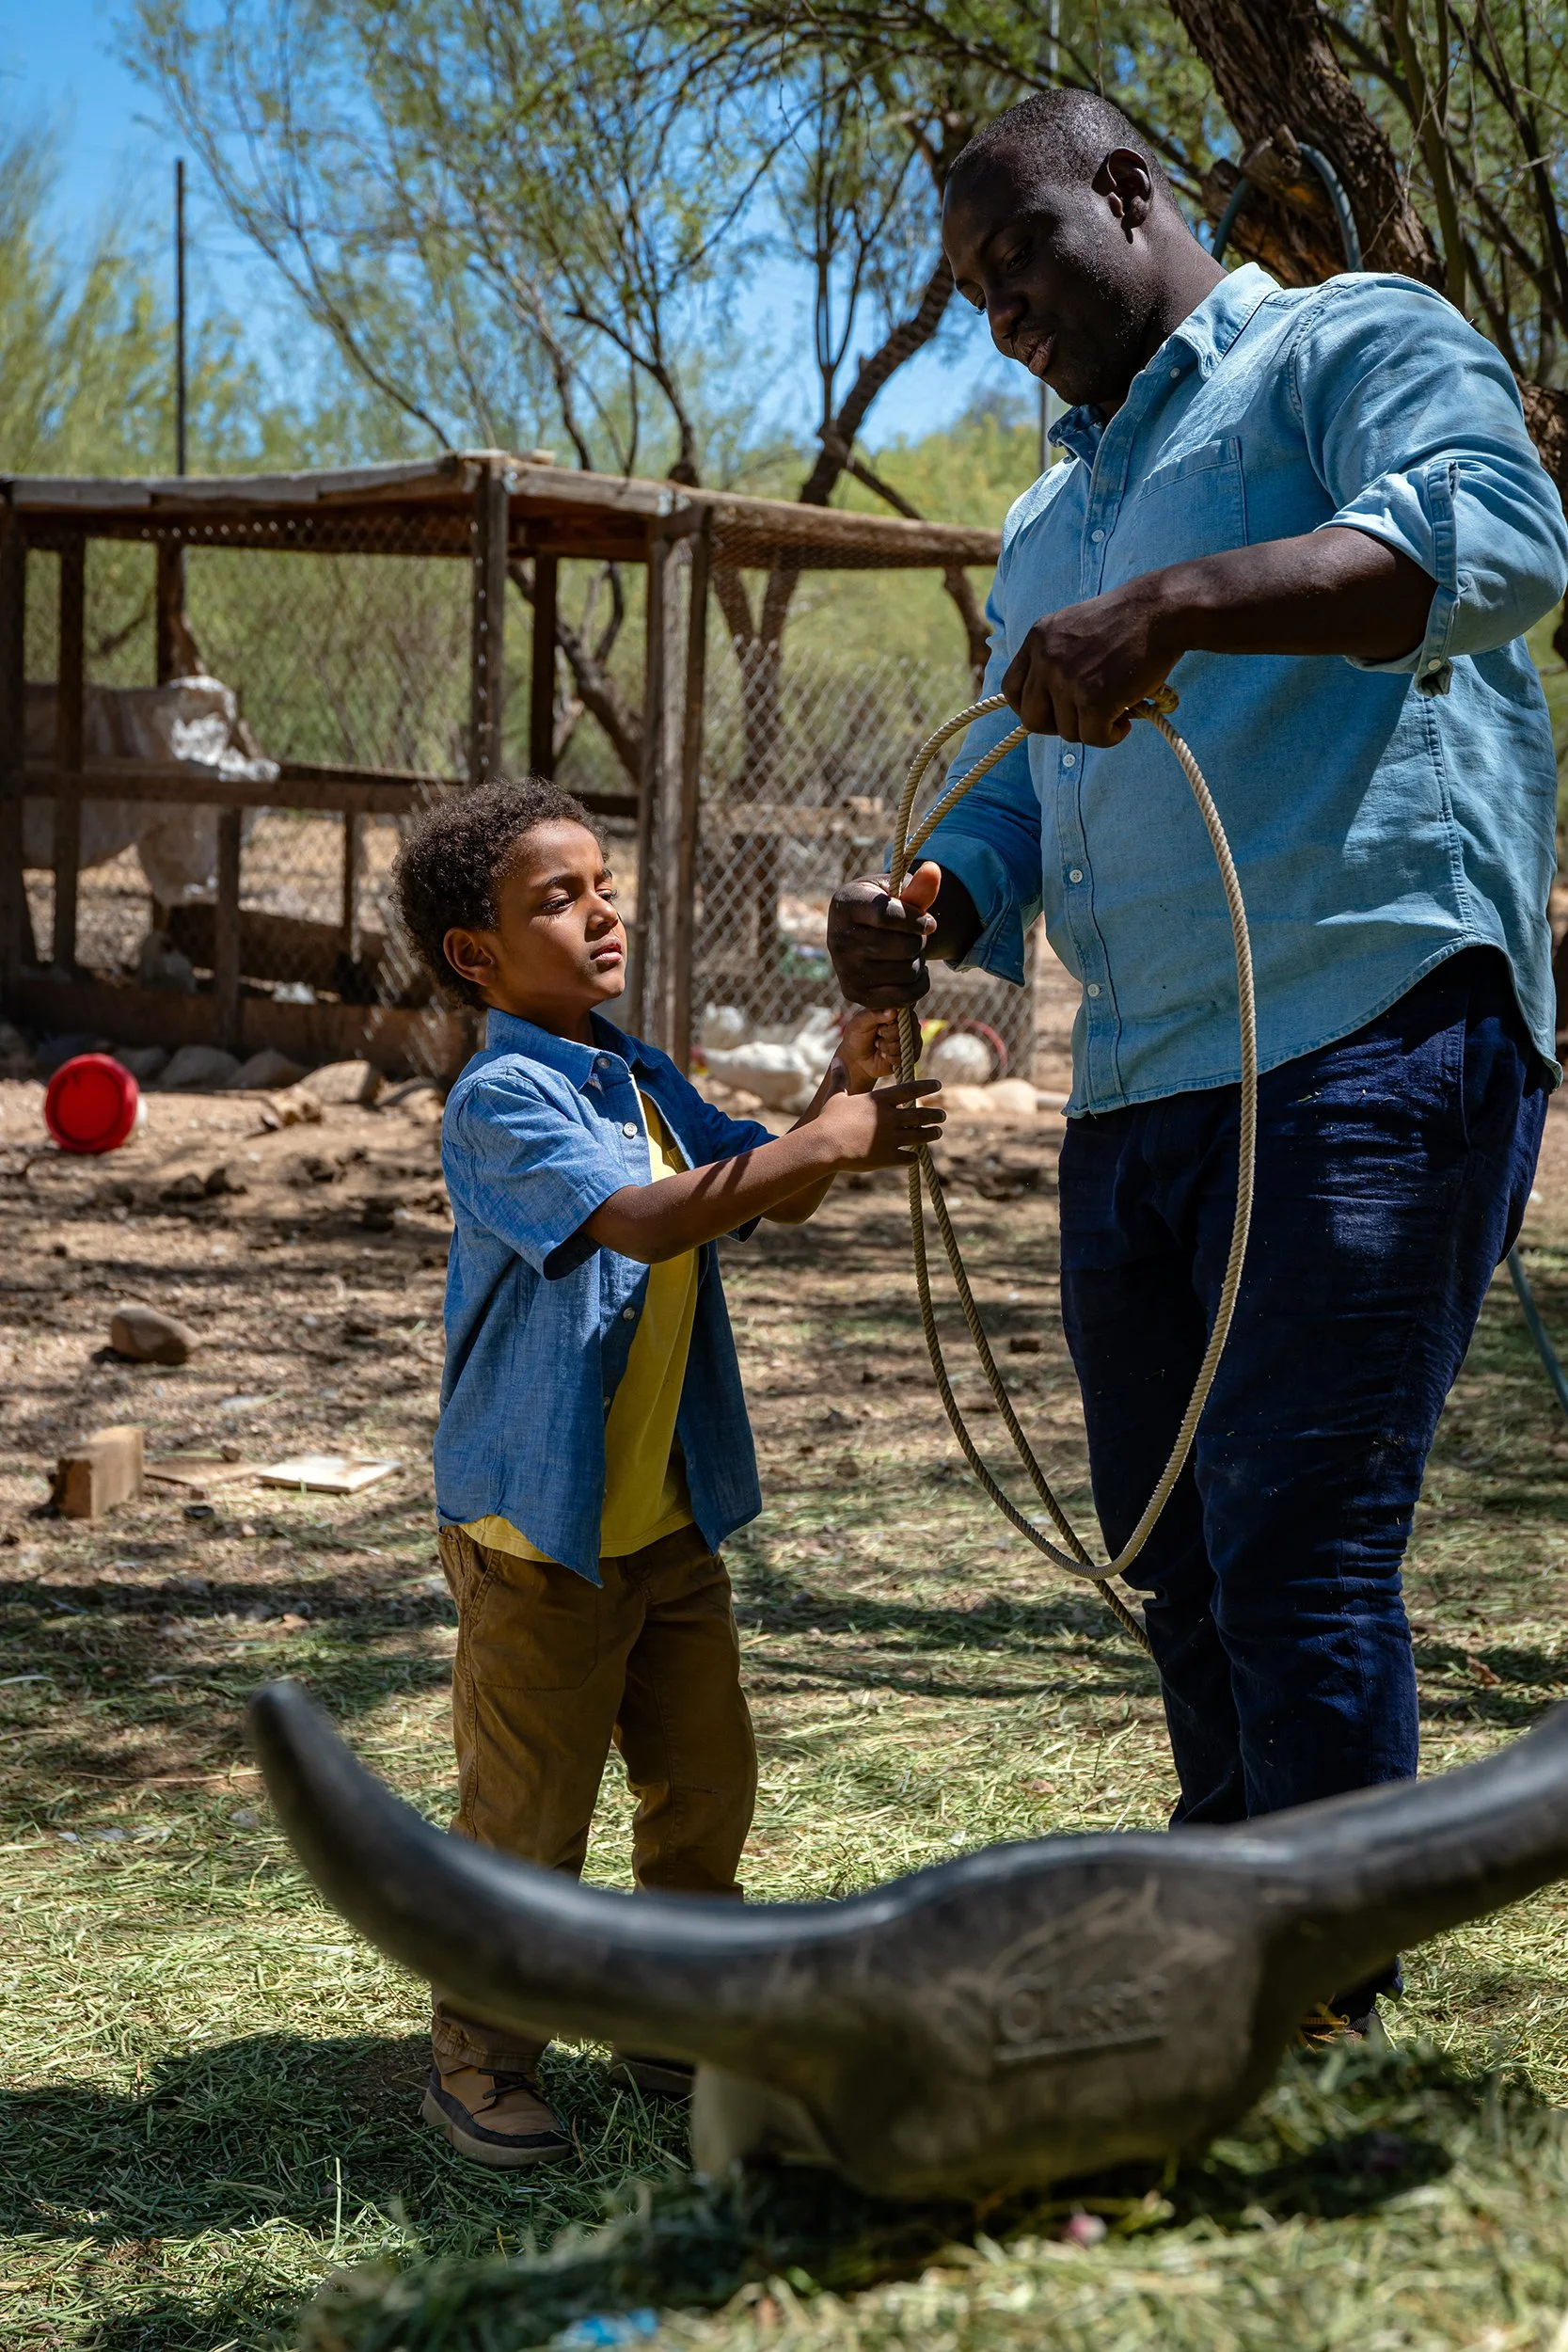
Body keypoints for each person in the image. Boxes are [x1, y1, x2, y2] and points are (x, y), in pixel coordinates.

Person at [828, 89, 1568, 2032]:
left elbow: (1492, 545)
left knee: (1290, 1535)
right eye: (968, 294)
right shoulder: (1041, 518)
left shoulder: (1351, 345)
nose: (998, 321)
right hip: (1137, 1083)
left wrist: (1174, 602)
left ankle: (1314, 2004)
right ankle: (1230, 1964)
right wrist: (932, 903)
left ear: (1129, 191)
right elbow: (1016, 808)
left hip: (1369, 1028)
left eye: (1019, 265)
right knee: (1175, 1548)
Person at [391, 777, 941, 2166]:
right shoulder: (501, 1099)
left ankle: (665, 2015)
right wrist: (824, 1140)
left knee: (703, 1787)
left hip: (664, 1519)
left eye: (603, 883)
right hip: (543, 1534)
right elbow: (640, 1224)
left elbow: (759, 1180)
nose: (601, 911)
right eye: (556, 899)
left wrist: (842, 1088)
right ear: (476, 955)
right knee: (529, 1814)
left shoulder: (633, 1074)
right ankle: (480, 2053)